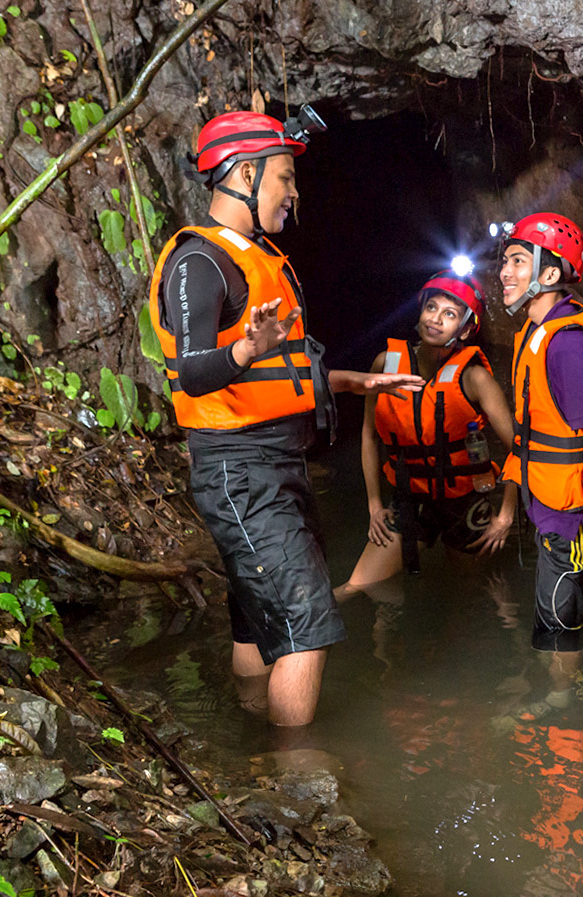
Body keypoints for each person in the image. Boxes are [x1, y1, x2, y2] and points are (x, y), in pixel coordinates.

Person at [148, 109, 419, 727]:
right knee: (306, 623)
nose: (294, 193)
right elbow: (193, 372)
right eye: (285, 178)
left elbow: (286, 375)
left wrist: (357, 381)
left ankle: (250, 734)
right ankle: (296, 781)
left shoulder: (260, 257)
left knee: (257, 611)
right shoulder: (201, 262)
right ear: (244, 174)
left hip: (274, 461)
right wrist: (247, 348)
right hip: (238, 467)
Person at [494, 212, 583, 706]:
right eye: (505, 261)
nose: (505, 273)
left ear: (551, 274)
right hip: (555, 501)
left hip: (570, 510)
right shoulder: (542, 332)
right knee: (572, 601)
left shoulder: (567, 345)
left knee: (556, 617)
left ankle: (562, 706)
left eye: (518, 261)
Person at [337, 265, 518, 598]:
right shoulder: (385, 363)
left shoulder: (475, 378)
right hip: (409, 497)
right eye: (431, 307)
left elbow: (517, 449)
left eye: (449, 314)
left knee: (476, 591)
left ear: (464, 331)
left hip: (464, 501)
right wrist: (375, 506)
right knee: (356, 587)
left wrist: (505, 516)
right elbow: (369, 437)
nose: (435, 318)